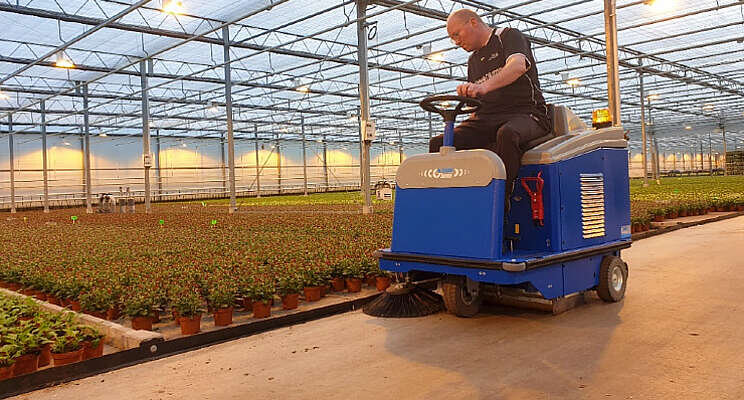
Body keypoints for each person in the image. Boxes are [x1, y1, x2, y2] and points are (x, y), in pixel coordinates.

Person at [429, 9, 551, 208]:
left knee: (507, 134)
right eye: (452, 39)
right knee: (441, 142)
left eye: (456, 35)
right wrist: (468, 95)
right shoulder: (473, 61)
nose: (456, 42)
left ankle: (501, 202)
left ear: (473, 22)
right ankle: (449, 203)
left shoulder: (508, 36)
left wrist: (482, 87)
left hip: (527, 113)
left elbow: (518, 65)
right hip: (487, 118)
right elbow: (476, 104)